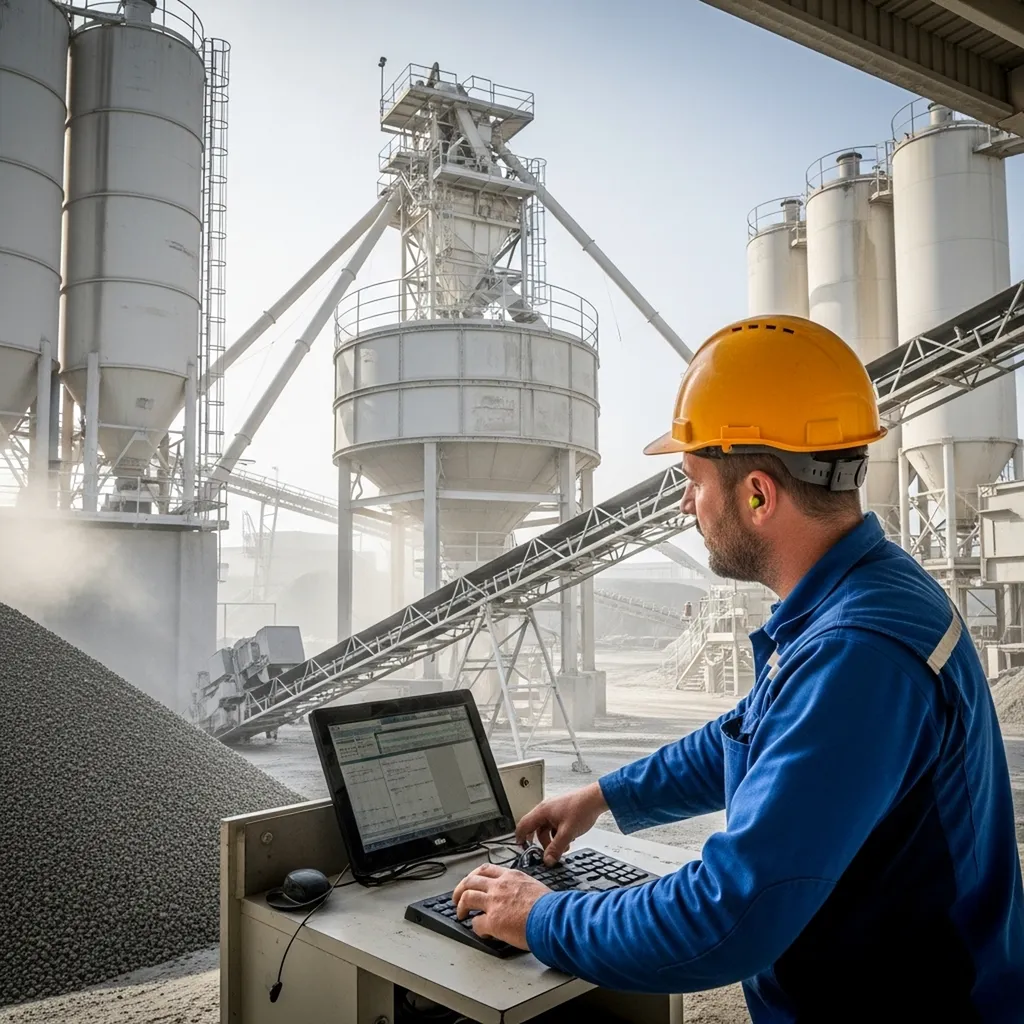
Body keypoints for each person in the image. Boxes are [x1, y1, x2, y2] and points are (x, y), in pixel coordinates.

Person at [452, 315, 1024, 1021]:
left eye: (692, 480)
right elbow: (753, 730)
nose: (685, 503)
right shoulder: (866, 590)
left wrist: (540, 916)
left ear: (757, 494)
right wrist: (604, 796)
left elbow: (727, 915)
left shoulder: (857, 654)